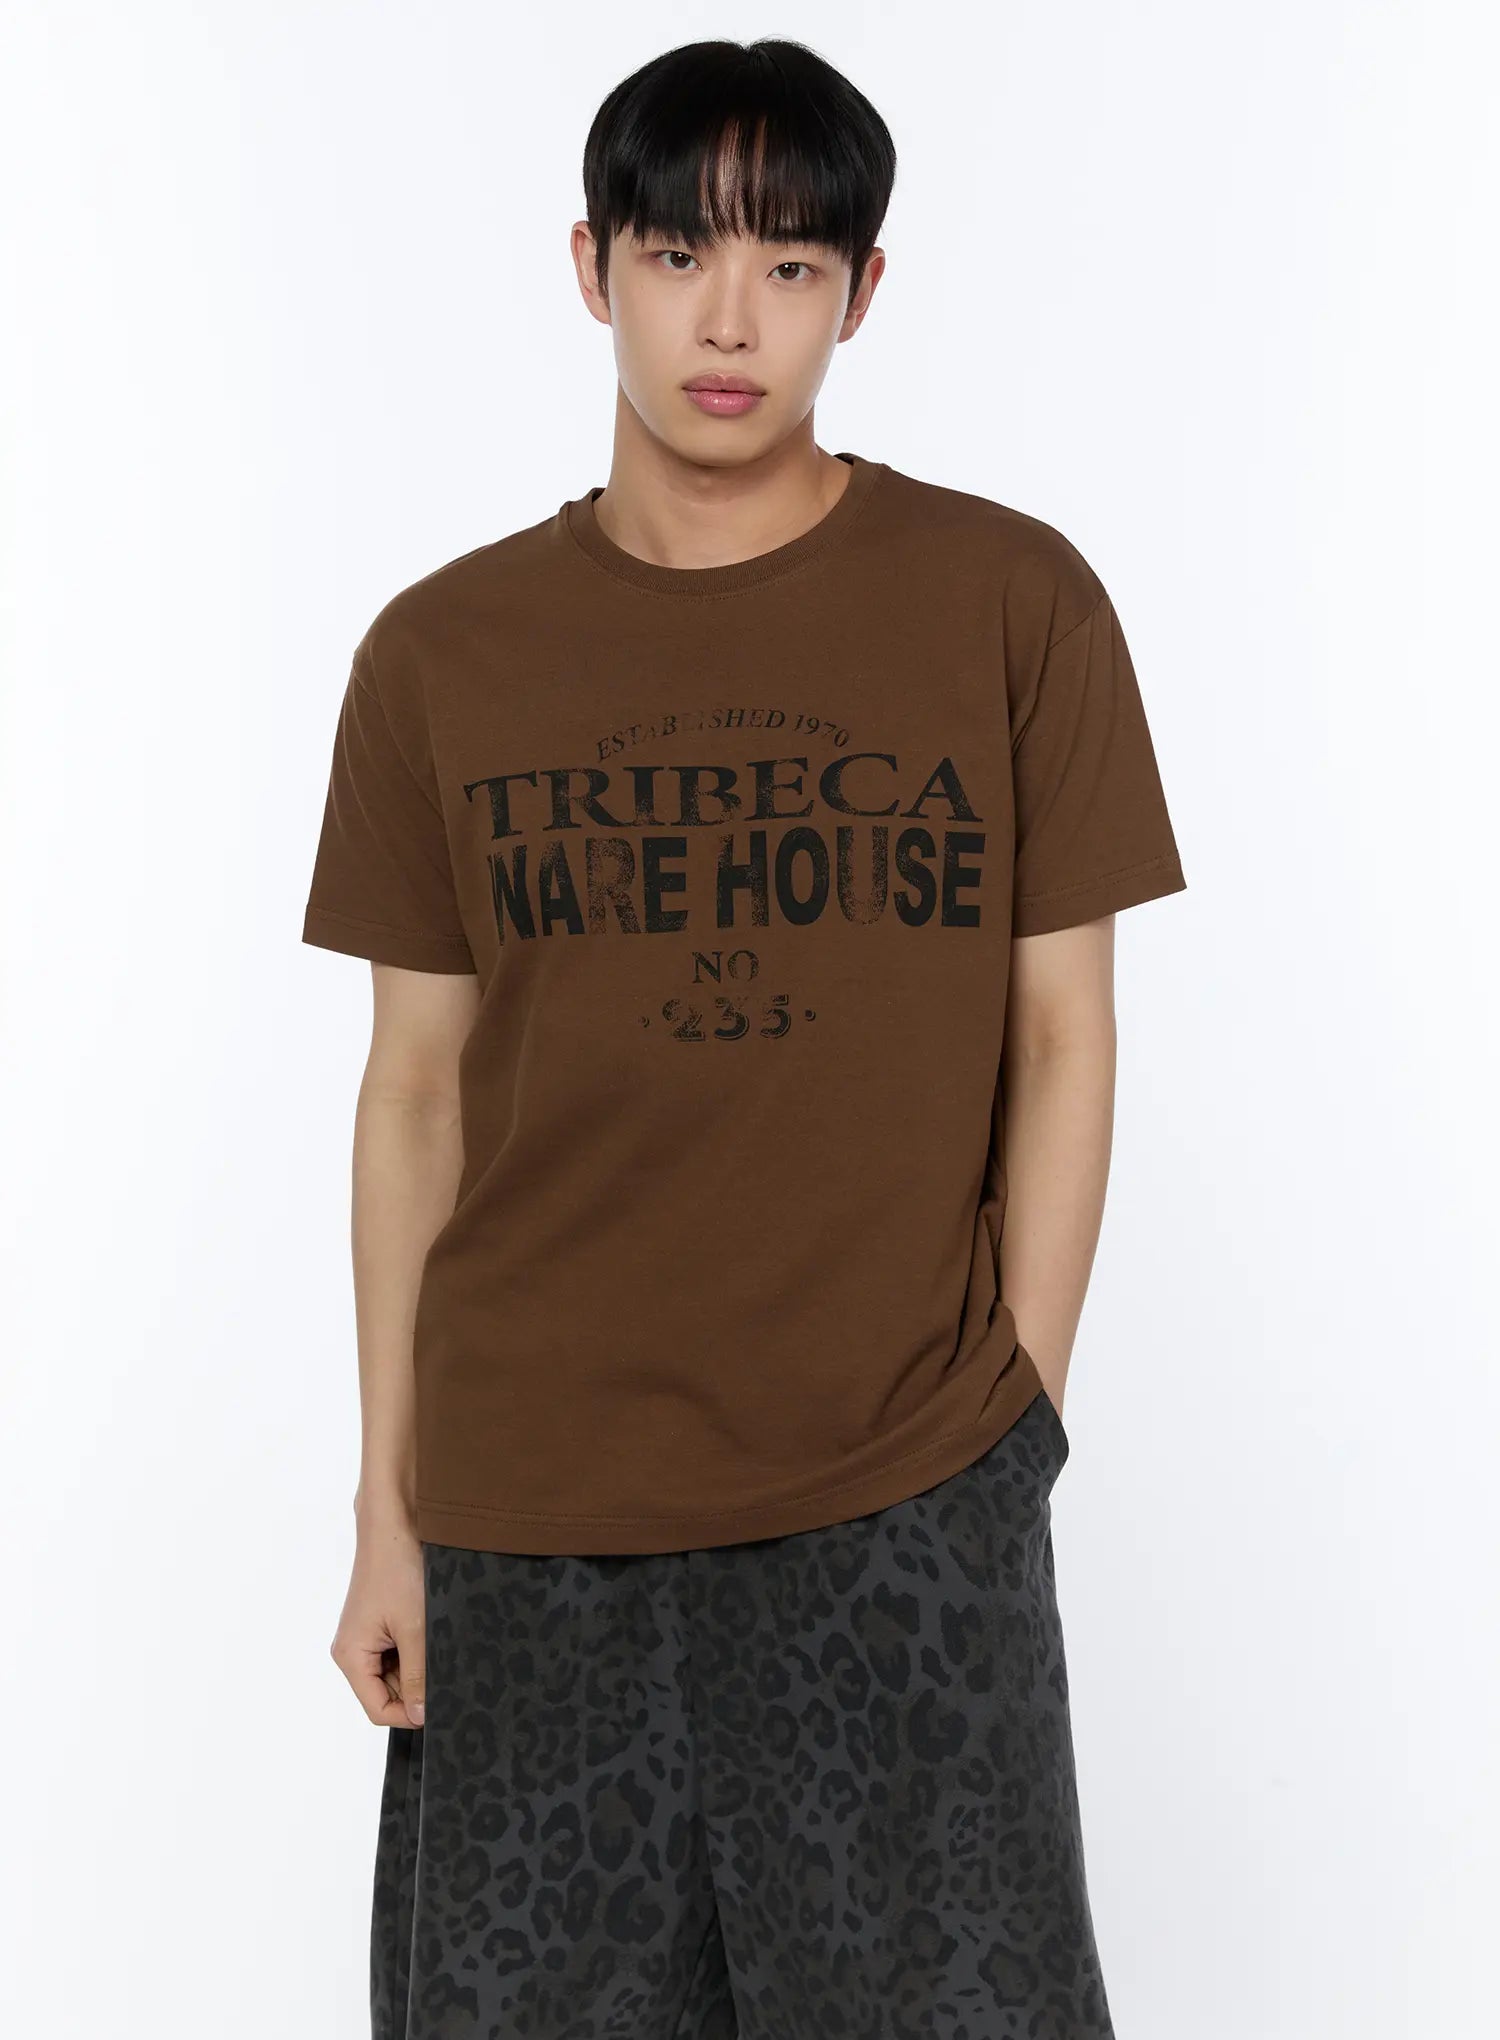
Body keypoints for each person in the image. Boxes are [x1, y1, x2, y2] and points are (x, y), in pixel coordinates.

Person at [300, 35, 1186, 2040]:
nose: (730, 319)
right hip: (531, 1519)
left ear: (862, 294)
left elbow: (1065, 1033)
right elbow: (415, 1088)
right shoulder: (439, 657)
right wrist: (387, 1505)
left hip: (902, 1494)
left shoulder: (1010, 603)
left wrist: (1014, 1421)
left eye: (791, 265)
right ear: (592, 265)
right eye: (681, 251)